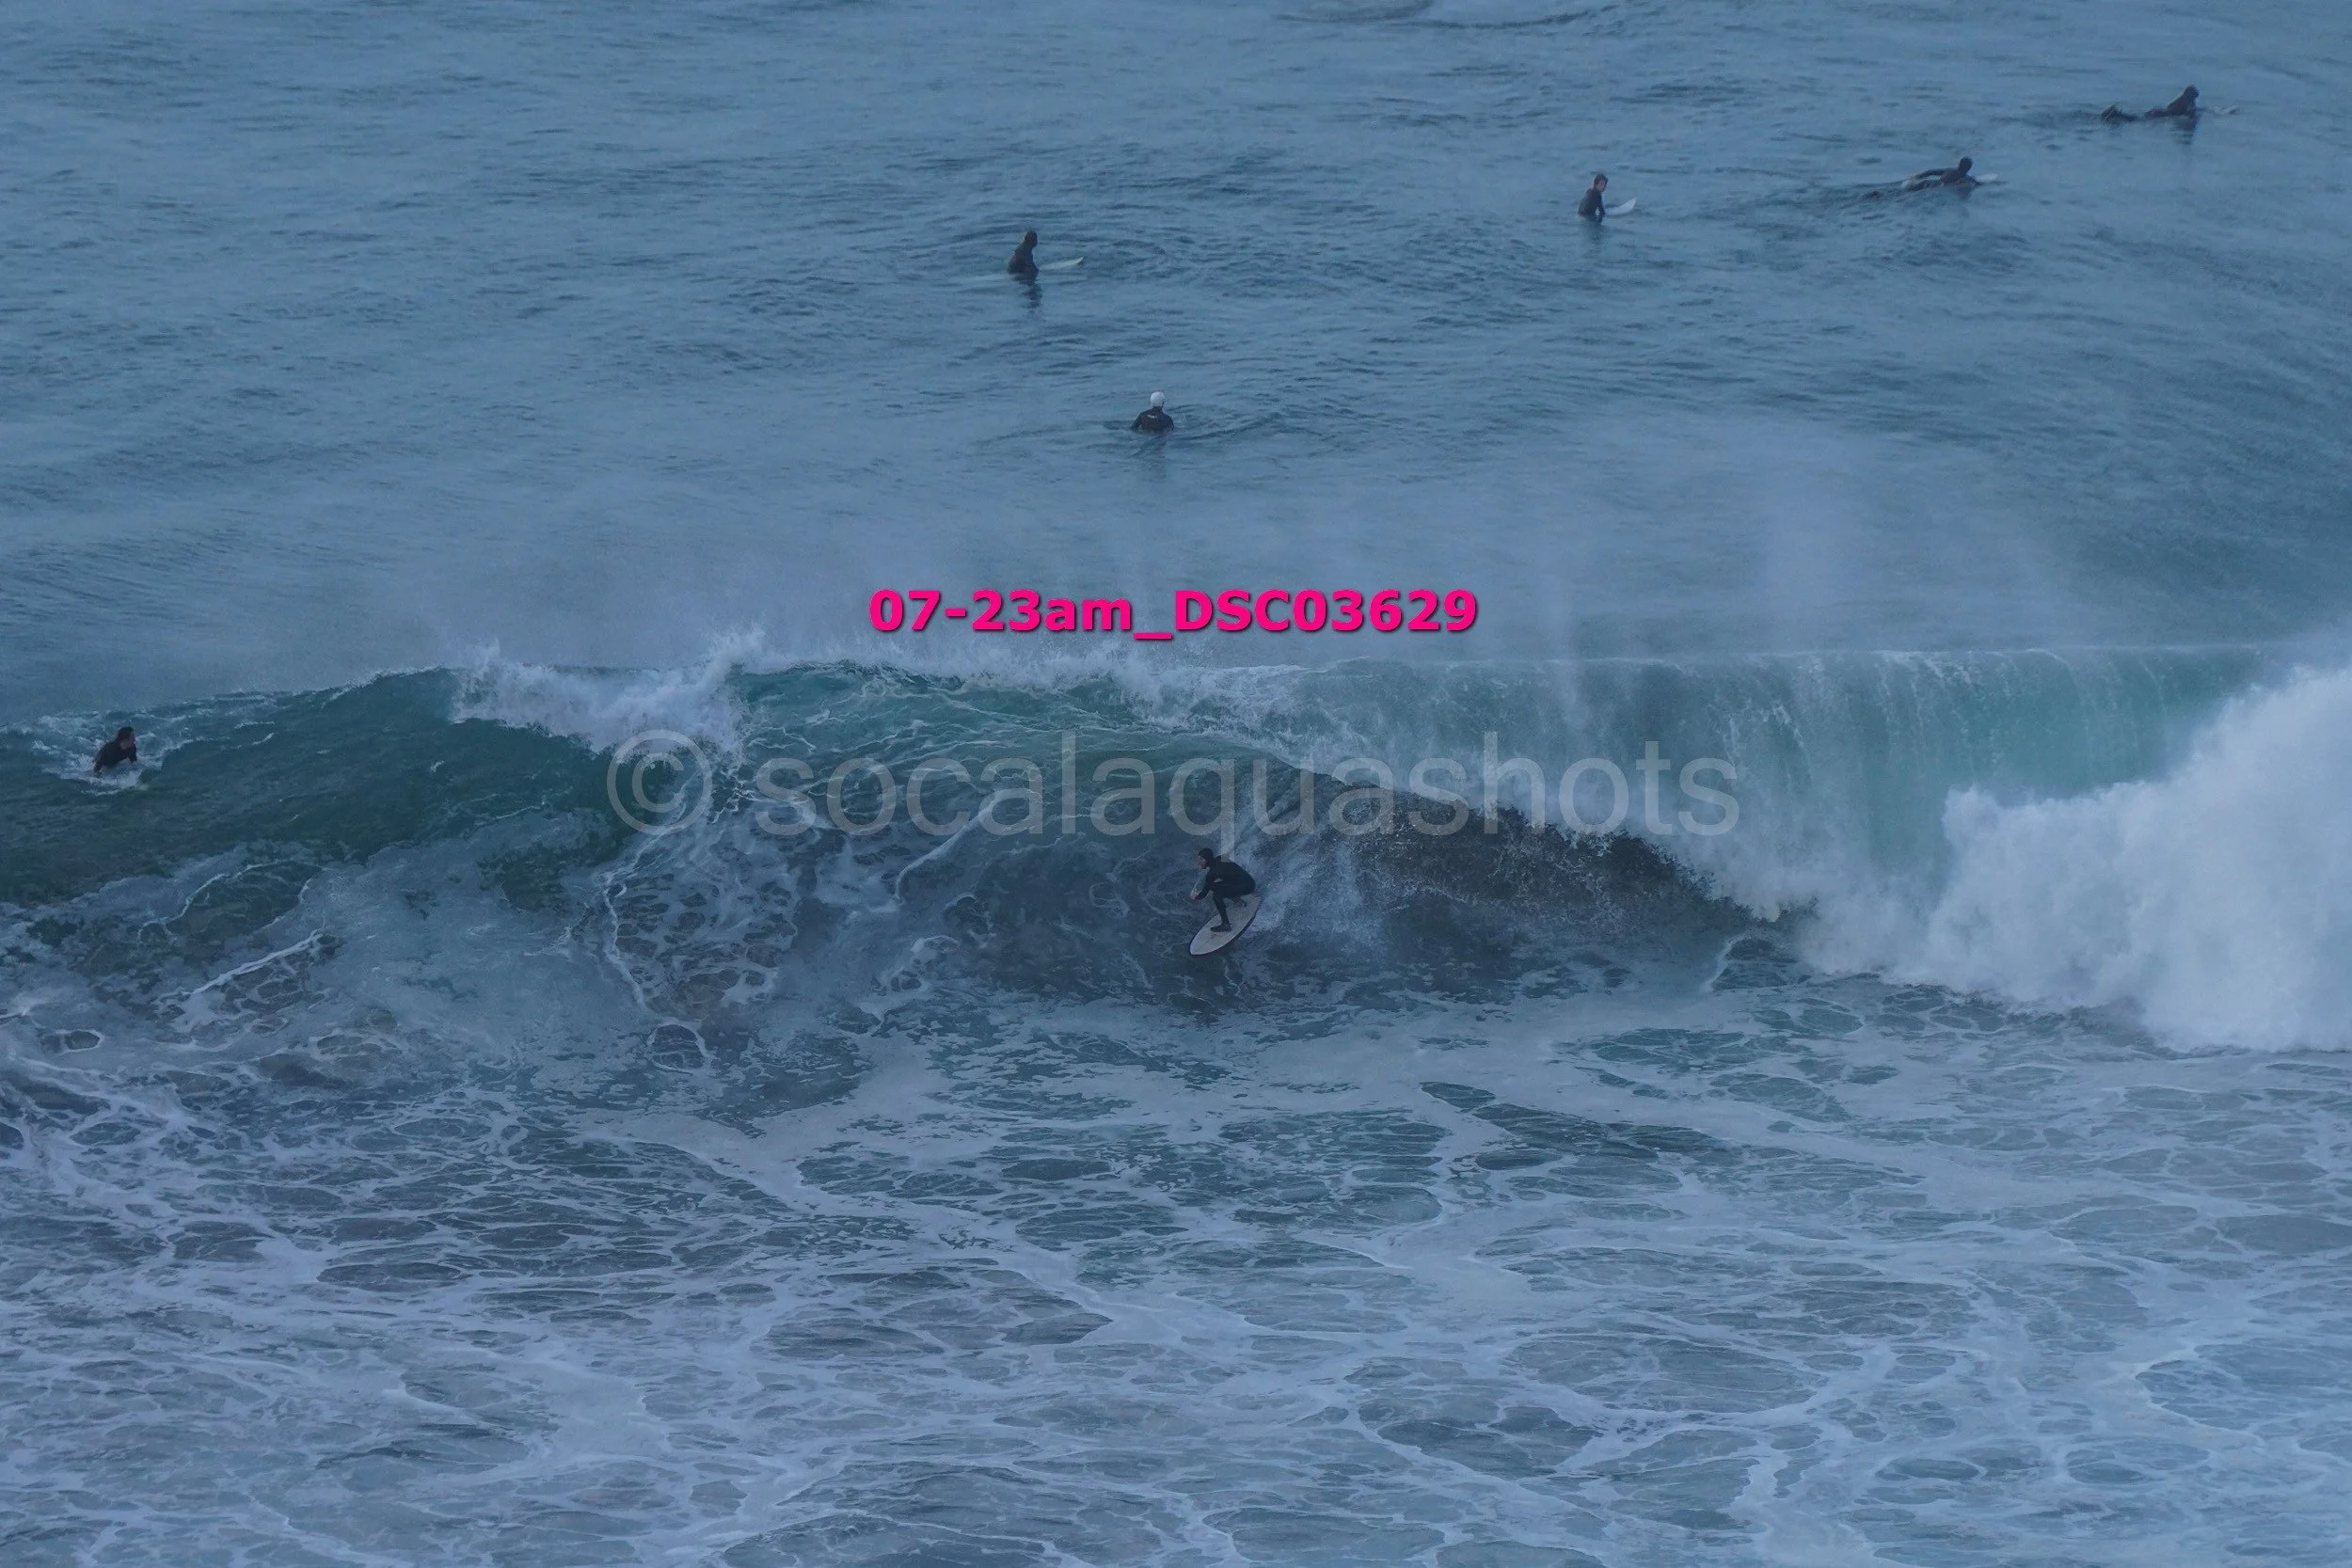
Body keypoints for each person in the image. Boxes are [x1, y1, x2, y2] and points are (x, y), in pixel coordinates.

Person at [1191, 848, 1257, 931]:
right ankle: (1239, 901)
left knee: (1216, 896)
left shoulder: (1212, 874)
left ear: (1207, 859)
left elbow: (1203, 894)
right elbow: (1230, 871)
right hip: (1250, 882)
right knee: (1215, 886)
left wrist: (1195, 897)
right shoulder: (1221, 858)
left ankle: (1225, 925)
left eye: (1201, 859)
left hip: (1247, 887)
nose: (1199, 862)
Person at [2107, 86, 2199, 122]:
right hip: (2161, 114)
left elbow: (2170, 107)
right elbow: (2190, 115)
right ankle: (2116, 114)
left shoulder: (2180, 99)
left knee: (2137, 118)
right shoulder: (2188, 102)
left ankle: (2116, 114)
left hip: (2158, 111)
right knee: (2136, 120)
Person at [1901, 156, 1977, 192]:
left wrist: (1918, 176)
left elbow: (1932, 172)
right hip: (1938, 188)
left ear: (1959, 164)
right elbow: (1977, 183)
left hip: (1930, 183)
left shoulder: (1950, 170)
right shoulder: (1966, 178)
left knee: (1909, 191)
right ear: (1969, 168)